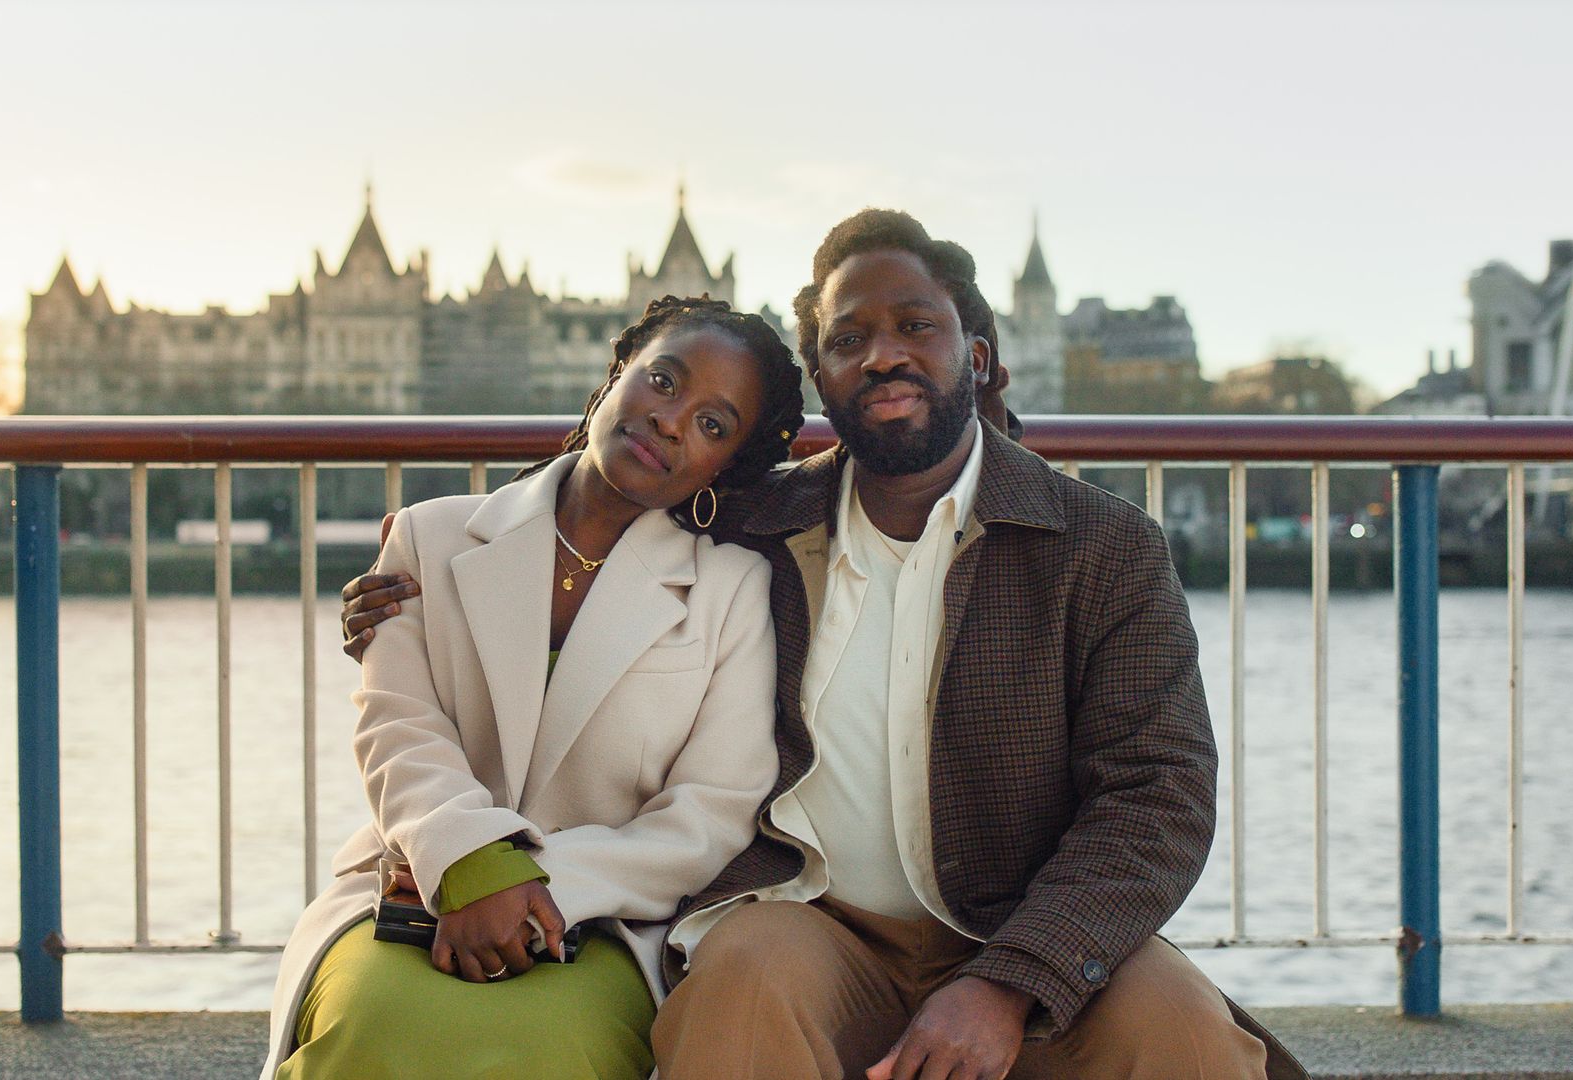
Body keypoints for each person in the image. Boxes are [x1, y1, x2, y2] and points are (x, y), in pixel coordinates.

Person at [346, 211, 1304, 1080]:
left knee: (1179, 1034)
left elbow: (1159, 795)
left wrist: (1009, 982)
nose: (881, 356)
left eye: (913, 328)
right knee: (741, 998)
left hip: (1027, 924)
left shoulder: (1102, 546)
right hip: (806, 919)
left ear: (978, 355)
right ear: (821, 385)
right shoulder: (754, 519)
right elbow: (622, 471)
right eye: (848, 340)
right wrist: (429, 574)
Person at [264, 295, 807, 1080]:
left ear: (728, 466)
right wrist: (468, 865)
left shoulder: (732, 589)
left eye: (713, 424)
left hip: (600, 920)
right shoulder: (429, 534)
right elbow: (398, 729)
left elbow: (711, 811)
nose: (670, 419)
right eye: (662, 381)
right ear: (616, 376)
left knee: (554, 1052)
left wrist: (526, 888)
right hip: (416, 888)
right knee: (370, 1027)